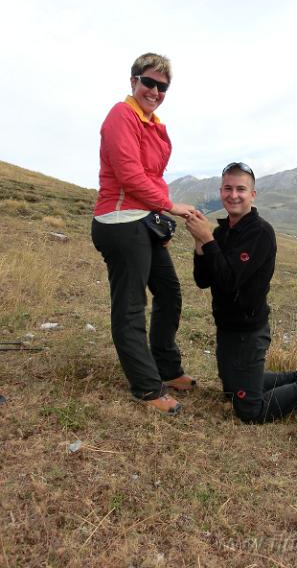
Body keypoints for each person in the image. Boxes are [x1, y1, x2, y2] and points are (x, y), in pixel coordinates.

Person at [185, 162, 297, 423]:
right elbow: (202, 280)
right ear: (221, 191)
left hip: (248, 330)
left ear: (252, 194)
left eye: (241, 189)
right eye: (228, 188)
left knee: (249, 410)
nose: (233, 195)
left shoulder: (261, 233)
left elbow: (229, 281)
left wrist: (208, 240)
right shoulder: (223, 232)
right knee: (232, 391)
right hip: (227, 327)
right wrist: (201, 243)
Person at [91, 52, 196, 415]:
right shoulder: (122, 115)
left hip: (142, 221)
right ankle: (147, 388)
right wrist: (171, 207)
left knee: (169, 291)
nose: (154, 90)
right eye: (148, 82)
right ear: (134, 80)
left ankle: (166, 367)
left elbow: (152, 177)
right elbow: (129, 175)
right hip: (119, 221)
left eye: (162, 86)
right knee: (131, 308)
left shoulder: (154, 124)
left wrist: (157, 221)